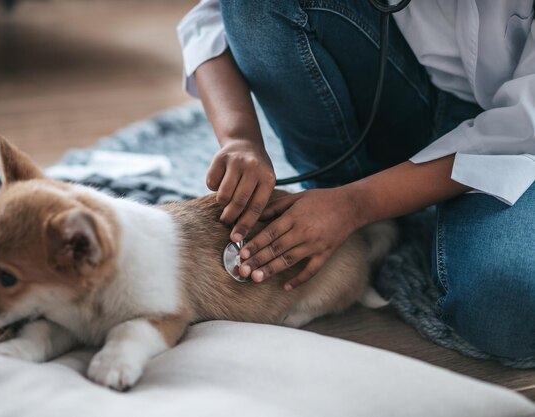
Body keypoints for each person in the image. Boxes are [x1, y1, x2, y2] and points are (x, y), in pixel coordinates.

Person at [177, 0, 535, 360]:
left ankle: (367, 207)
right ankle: (348, 199)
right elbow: (212, 17)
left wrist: (357, 204)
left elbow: (521, 128)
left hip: (524, 150)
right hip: (417, 91)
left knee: (505, 313)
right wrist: (241, 138)